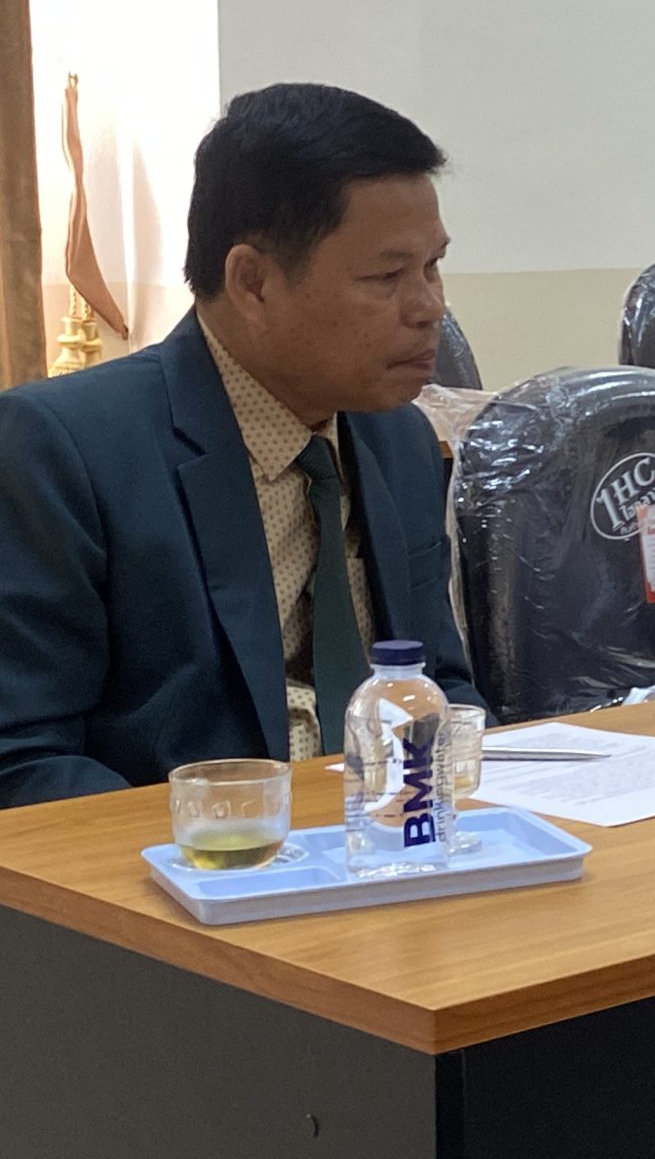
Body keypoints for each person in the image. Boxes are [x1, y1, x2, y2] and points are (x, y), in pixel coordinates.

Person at [0, 83, 483, 807]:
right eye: (387, 276)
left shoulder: (398, 439)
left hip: (386, 843)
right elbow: (23, 760)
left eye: (433, 266)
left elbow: (437, 688)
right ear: (252, 283)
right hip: (190, 857)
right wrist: (231, 838)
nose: (430, 307)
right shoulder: (62, 450)